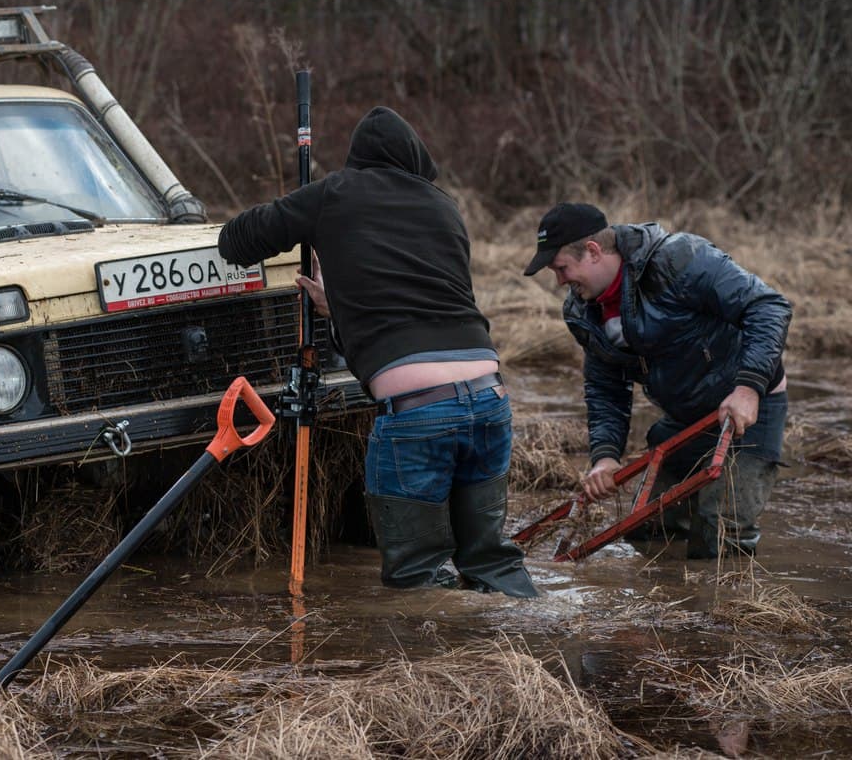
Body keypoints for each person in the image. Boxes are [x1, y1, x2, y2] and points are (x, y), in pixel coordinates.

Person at [218, 106, 537, 598]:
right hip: (490, 400)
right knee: (491, 563)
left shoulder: (335, 193)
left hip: (418, 413)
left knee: (417, 580)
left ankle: (432, 674)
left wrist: (304, 209)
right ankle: (517, 659)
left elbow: (235, 242)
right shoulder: (444, 205)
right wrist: (337, 306)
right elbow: (415, 299)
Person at [523, 203, 791, 558]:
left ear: (592, 251)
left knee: (722, 533)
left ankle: (721, 607)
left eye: (561, 268)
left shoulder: (678, 259)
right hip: (685, 418)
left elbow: (768, 306)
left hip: (748, 411)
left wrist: (748, 387)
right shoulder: (580, 311)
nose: (559, 282)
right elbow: (605, 388)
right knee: (647, 530)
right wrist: (605, 457)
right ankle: (667, 606)